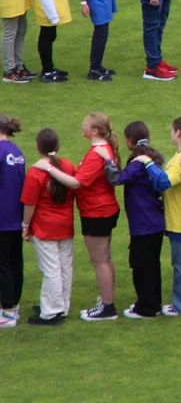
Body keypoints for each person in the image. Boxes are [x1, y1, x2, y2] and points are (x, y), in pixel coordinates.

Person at [35, 113, 120, 320]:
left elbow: (75, 183)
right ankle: (106, 299)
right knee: (105, 259)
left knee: (100, 260)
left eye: (86, 124)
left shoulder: (95, 154)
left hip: (96, 211)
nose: (82, 126)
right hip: (103, 209)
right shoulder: (102, 150)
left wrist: (48, 168)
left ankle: (107, 307)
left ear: (94, 131)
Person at [19, 129, 77, 326]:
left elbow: (30, 203)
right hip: (65, 224)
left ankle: (51, 311)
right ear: (57, 146)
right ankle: (61, 305)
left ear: (38, 147)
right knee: (64, 266)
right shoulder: (68, 166)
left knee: (51, 268)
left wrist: (25, 225)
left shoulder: (36, 172)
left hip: (45, 227)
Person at [114, 122, 169, 319]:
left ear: (129, 140)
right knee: (152, 266)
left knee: (140, 266)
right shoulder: (152, 158)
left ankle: (145, 307)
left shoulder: (138, 162)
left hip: (143, 224)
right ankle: (152, 304)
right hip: (155, 221)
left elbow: (118, 178)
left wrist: (107, 159)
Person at [151, 117, 181, 316]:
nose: (171, 134)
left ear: (178, 132)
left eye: (172, 131)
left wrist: (146, 163)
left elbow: (164, 181)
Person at [0, 113, 26, 328]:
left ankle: (7, 311)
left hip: (1, 217)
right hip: (16, 215)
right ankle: (13, 306)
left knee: (2, 264)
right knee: (15, 261)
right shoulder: (17, 151)